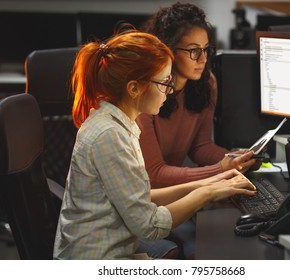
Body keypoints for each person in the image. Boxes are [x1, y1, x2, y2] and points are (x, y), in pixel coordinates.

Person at [53, 28, 256, 260]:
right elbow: (150, 226)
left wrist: (210, 182)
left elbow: (140, 196)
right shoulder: (110, 136)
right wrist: (207, 193)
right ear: (134, 88)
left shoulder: (117, 123)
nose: (169, 93)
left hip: (112, 250)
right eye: (163, 83)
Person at [137, 2, 260, 259]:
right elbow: (154, 175)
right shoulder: (145, 94)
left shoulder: (206, 83)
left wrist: (235, 157)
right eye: (193, 51)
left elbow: (200, 146)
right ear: (168, 50)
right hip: (141, 202)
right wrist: (220, 170)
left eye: (206, 50)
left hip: (168, 197)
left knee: (228, 238)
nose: (203, 60)